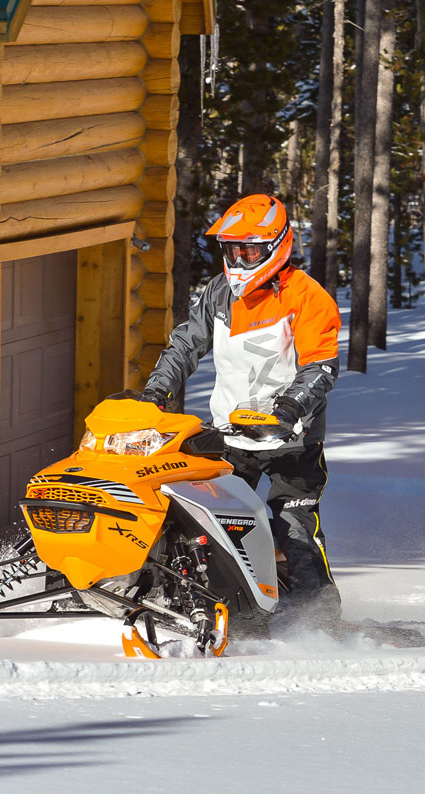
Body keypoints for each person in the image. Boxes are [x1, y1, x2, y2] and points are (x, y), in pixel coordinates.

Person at [136, 193, 343, 632]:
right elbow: (185, 345)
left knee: (294, 529)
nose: (240, 258)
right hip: (229, 436)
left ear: (277, 246)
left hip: (292, 439)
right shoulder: (217, 292)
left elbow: (320, 366)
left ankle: (319, 623)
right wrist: (156, 392)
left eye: (249, 249)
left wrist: (289, 407)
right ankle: (225, 612)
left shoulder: (306, 296)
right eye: (232, 249)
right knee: (214, 528)